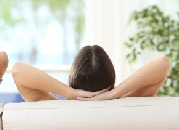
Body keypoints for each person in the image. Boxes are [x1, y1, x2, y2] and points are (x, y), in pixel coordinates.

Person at [12, 45, 170, 102]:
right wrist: (112, 95)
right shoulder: (129, 106)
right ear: (111, 79)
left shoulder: (54, 109)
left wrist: (70, 93)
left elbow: (18, 70)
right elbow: (163, 63)